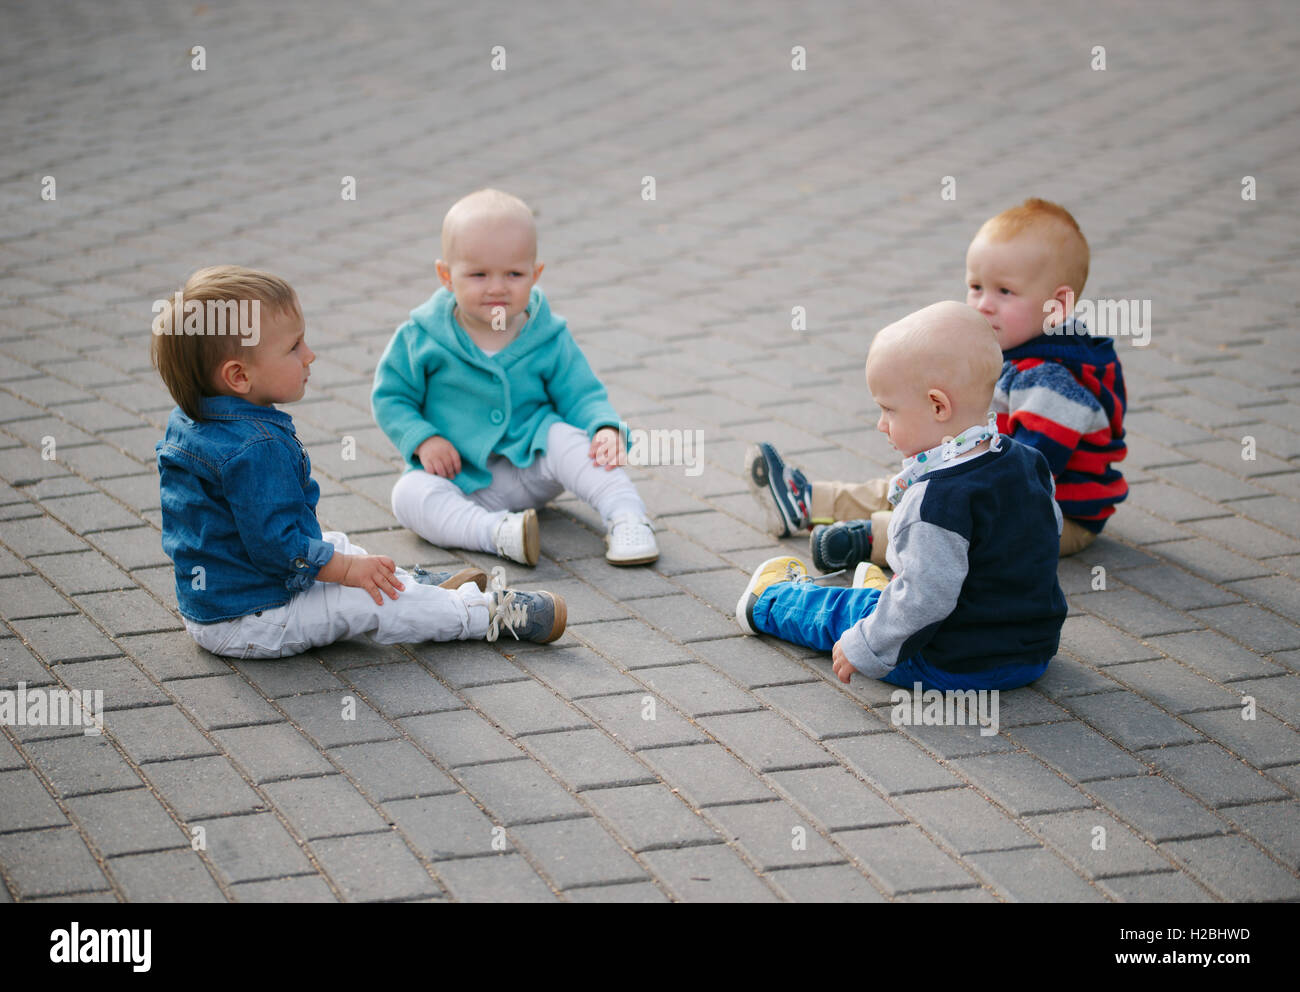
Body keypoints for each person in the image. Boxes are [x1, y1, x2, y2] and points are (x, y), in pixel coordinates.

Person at [153, 265, 566, 659]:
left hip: (216, 604)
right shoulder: (254, 449)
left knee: (337, 546)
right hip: (253, 620)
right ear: (239, 376)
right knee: (375, 601)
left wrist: (344, 565)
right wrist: (349, 573)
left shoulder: (191, 421)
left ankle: (411, 585)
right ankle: (484, 614)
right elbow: (279, 549)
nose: (309, 355)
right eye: (294, 346)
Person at [748, 198, 1126, 570]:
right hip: (995, 482)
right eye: (976, 286)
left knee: (949, 521)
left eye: (1004, 292)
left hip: (1054, 515)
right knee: (908, 484)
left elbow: (1028, 476)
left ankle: (868, 539)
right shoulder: (1017, 347)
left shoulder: (1055, 380)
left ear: (1057, 306)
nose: (984, 304)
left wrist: (955, 483)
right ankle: (808, 502)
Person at [736, 302, 1067, 691]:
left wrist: (863, 648)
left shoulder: (935, 500)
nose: (881, 424)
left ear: (937, 405)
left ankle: (768, 602)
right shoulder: (1027, 461)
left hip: (947, 662)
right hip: (1029, 656)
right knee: (903, 594)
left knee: (842, 612)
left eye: (888, 409)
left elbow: (925, 601)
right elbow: (1044, 539)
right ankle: (883, 595)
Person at [373, 188, 658, 567]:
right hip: (461, 477)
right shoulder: (421, 336)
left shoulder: (546, 334)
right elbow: (392, 397)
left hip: (533, 466)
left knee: (568, 439)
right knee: (408, 497)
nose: (497, 287)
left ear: (535, 274)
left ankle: (627, 517)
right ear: (445, 275)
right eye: (478, 274)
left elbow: (582, 394)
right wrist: (424, 439)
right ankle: (497, 532)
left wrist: (603, 428)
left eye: (514, 273)